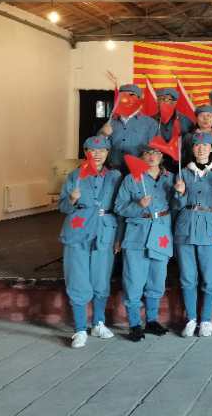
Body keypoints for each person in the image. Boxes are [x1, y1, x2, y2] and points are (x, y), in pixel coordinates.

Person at [59, 135, 123, 348]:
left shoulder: (115, 176)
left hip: (105, 231)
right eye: (92, 150)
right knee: (77, 277)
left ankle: (98, 323)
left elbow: (120, 208)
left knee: (101, 278)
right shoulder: (74, 175)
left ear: (107, 153)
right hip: (77, 230)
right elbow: (63, 207)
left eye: (102, 150)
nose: (97, 154)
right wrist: (71, 199)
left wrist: (119, 237)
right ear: (86, 152)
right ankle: (80, 329)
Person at [115, 144, 175, 341]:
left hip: (161, 232)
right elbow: (119, 207)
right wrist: (138, 205)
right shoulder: (131, 178)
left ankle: (152, 320)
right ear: (141, 157)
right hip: (137, 233)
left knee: (157, 279)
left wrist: (180, 193)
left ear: (162, 156)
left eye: (156, 153)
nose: (152, 156)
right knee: (134, 280)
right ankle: (134, 324)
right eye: (147, 153)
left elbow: (178, 205)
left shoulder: (171, 178)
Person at [172, 132, 212, 338]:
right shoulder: (183, 172)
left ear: (211, 148)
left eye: (205, 145)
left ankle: (205, 319)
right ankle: (191, 319)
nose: (201, 149)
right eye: (197, 145)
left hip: (210, 227)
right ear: (192, 149)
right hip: (185, 226)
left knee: (210, 277)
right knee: (187, 277)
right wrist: (179, 193)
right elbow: (176, 205)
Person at [99, 84, 156, 172]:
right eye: (123, 95)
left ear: (139, 99)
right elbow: (97, 146)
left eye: (131, 95)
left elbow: (155, 150)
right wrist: (103, 135)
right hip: (113, 171)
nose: (126, 98)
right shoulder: (111, 122)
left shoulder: (150, 123)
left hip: (138, 171)